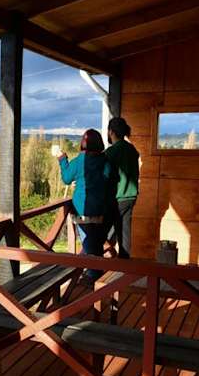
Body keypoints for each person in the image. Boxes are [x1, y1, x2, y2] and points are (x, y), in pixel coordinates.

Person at [58, 129, 114, 281]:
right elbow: (109, 179)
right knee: (96, 244)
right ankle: (96, 275)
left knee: (89, 245)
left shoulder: (79, 161)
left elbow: (66, 178)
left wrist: (62, 159)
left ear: (83, 144)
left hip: (82, 209)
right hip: (101, 209)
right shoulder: (105, 161)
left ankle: (93, 277)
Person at [104, 117, 140, 258]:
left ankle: (97, 263)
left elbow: (104, 174)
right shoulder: (132, 149)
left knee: (102, 232)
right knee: (124, 231)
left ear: (111, 132)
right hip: (131, 197)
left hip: (117, 197)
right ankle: (124, 262)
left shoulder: (112, 152)